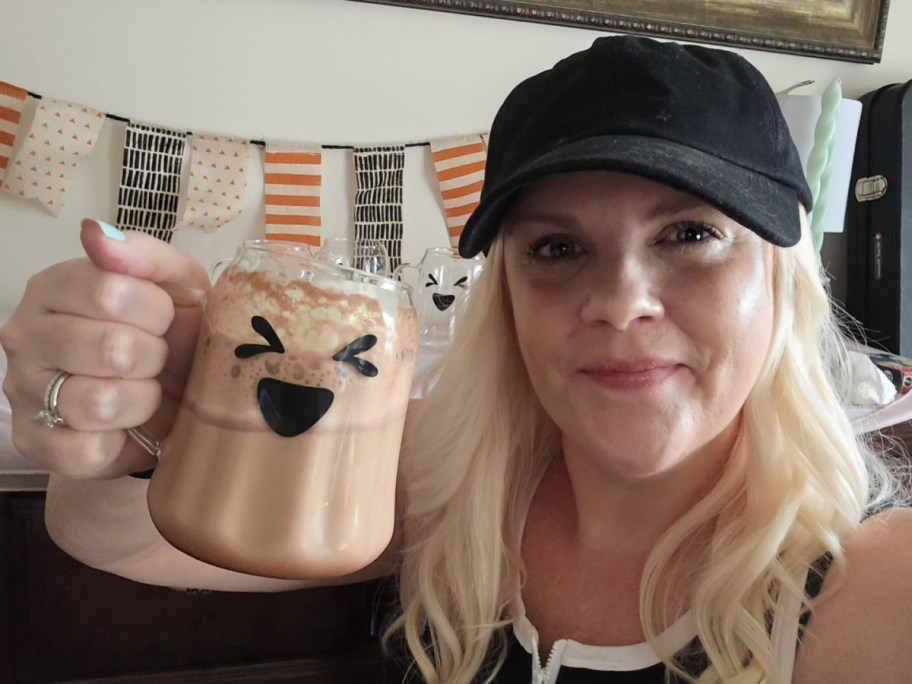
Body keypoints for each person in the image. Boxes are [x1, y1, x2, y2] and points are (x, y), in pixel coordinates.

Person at [1, 35, 911, 683]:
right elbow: (108, 539)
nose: (620, 300)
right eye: (556, 248)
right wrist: (135, 433)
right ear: (506, 292)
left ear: (783, 283)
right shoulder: (454, 486)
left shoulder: (876, 585)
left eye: (689, 233)